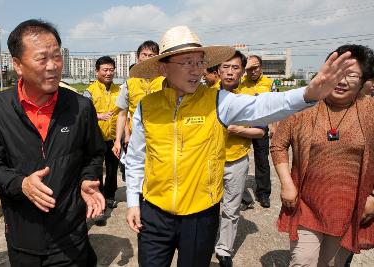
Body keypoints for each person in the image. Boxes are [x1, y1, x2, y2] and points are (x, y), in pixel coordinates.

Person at [125, 25, 355, 267]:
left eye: (200, 62)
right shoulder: (146, 106)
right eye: (187, 62)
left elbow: (262, 106)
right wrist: (133, 202)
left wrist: (308, 94)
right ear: (164, 67)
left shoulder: (218, 101)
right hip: (154, 212)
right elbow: (136, 158)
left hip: (200, 215)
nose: (197, 70)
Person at [0, 19, 105, 266]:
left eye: (57, 56)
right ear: (18, 65)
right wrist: (21, 183)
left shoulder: (80, 107)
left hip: (71, 234)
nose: (53, 66)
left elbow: (94, 154)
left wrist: (88, 178)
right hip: (24, 235)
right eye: (42, 58)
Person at [270, 44, 374, 266]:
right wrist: (287, 184)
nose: (343, 81)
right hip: (306, 204)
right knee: (303, 261)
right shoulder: (304, 108)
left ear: (364, 80)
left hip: (349, 209)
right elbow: (278, 144)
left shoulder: (370, 112)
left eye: (352, 75)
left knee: (331, 264)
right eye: (337, 73)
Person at [214, 50, 266, 267]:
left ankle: (224, 248)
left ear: (242, 72)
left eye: (235, 68)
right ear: (218, 70)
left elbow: (261, 131)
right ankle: (204, 240)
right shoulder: (206, 96)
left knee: (231, 207)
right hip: (209, 161)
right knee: (206, 206)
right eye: (225, 67)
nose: (229, 72)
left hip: (237, 161)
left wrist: (238, 130)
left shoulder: (250, 99)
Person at [112, 40, 164, 159]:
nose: (147, 58)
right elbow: (122, 114)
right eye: (144, 55)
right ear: (137, 57)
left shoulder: (165, 82)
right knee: (137, 171)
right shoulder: (129, 84)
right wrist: (118, 140)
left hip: (161, 136)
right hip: (137, 137)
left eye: (151, 55)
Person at [83, 56, 120, 209]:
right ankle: (97, 196)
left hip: (113, 137)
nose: (108, 73)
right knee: (96, 169)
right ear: (97, 71)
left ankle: (110, 196)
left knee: (112, 169)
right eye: (105, 70)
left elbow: (124, 112)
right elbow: (84, 113)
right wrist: (98, 116)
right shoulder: (89, 91)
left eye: (111, 70)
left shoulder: (120, 90)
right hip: (96, 138)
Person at [238, 55, 275, 209]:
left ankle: (263, 194)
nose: (253, 71)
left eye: (256, 67)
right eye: (250, 68)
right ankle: (240, 194)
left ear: (261, 67)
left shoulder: (269, 82)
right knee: (240, 160)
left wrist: (274, 125)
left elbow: (274, 105)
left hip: (260, 127)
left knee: (262, 160)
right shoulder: (240, 82)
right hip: (243, 127)